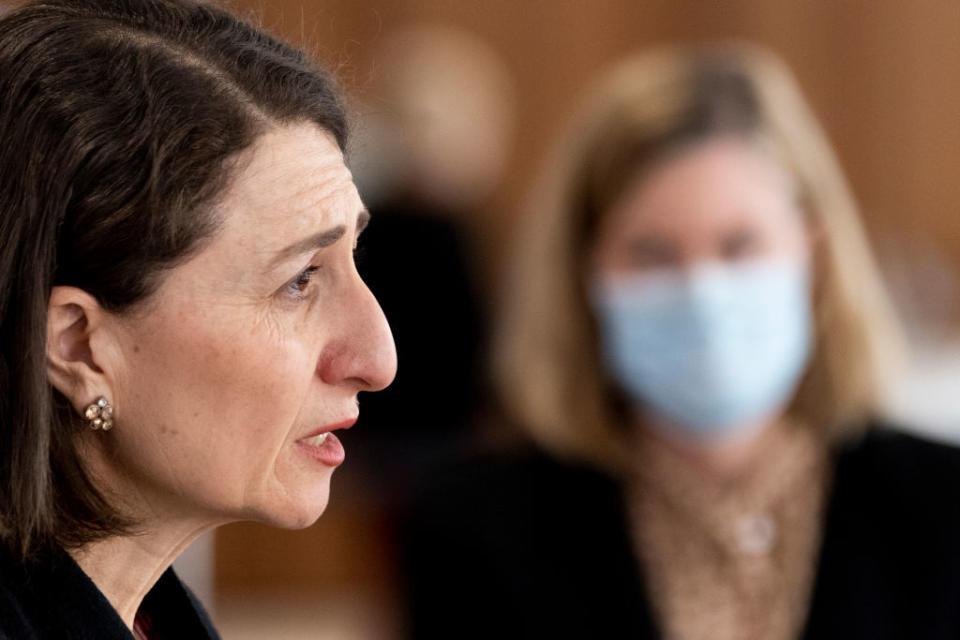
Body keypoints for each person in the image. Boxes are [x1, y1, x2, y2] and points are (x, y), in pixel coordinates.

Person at [403, 44, 960, 639]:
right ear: (584, 273)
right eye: (654, 255)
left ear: (814, 254)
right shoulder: (473, 531)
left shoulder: (944, 509)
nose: (703, 293)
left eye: (739, 245)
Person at [0, 0, 396, 637]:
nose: (379, 359)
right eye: (298, 280)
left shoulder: (160, 619)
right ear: (78, 346)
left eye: (355, 256)